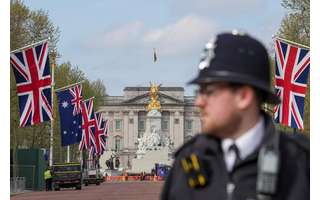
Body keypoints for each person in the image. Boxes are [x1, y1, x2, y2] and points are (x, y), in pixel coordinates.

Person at [161, 31, 309, 200]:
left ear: (243, 97)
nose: (199, 102)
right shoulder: (187, 161)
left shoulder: (300, 161)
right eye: (199, 92)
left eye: (208, 91)